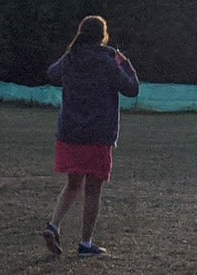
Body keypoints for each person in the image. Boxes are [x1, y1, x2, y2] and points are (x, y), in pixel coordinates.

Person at [40, 15, 140, 258]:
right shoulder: (107, 61)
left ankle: (53, 225)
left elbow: (52, 74)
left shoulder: (71, 57)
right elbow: (132, 89)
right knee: (93, 190)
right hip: (97, 135)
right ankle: (86, 243)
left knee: (73, 184)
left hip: (69, 133)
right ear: (102, 35)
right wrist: (123, 62)